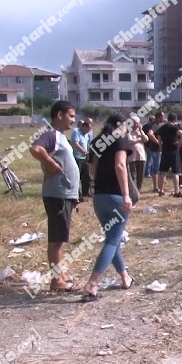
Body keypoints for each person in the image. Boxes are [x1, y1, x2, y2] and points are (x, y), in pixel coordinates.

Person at [81, 114, 135, 301]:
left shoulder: (96, 141)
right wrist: (126, 195)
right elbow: (120, 165)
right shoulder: (120, 139)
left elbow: (91, 171)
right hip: (116, 196)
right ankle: (92, 284)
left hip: (100, 198)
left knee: (112, 240)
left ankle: (125, 277)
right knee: (112, 241)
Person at [30, 101, 80, 292]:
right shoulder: (50, 134)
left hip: (64, 194)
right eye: (71, 116)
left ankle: (61, 275)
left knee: (61, 238)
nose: (73, 120)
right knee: (57, 239)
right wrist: (50, 164)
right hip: (57, 194)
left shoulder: (60, 136)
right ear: (59, 115)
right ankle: (56, 281)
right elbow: (35, 149)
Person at [156, 113, 182, 197]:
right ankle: (177, 191)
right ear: (175, 119)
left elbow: (159, 138)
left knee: (163, 171)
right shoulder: (174, 127)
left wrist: (160, 146)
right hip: (173, 150)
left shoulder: (162, 127)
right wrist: (179, 144)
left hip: (165, 149)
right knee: (175, 172)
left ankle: (161, 190)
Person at [71, 120, 93, 202]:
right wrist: (83, 151)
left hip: (85, 158)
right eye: (88, 129)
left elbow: (88, 144)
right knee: (77, 177)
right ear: (83, 126)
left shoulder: (87, 134)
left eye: (90, 129)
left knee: (86, 177)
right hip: (77, 157)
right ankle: (77, 195)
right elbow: (75, 143)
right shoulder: (76, 132)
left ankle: (85, 194)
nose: (88, 131)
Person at [127, 116, 149, 191]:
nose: (135, 125)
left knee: (140, 175)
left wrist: (141, 131)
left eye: (137, 123)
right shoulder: (128, 132)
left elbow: (146, 139)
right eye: (134, 123)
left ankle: (138, 189)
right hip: (132, 157)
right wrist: (139, 139)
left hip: (141, 157)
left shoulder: (140, 132)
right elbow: (130, 141)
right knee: (133, 175)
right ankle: (133, 190)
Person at [144, 112, 164, 192]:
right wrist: (158, 143)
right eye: (162, 117)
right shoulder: (154, 125)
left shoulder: (157, 124)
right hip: (155, 149)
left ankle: (159, 185)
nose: (164, 118)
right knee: (156, 168)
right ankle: (155, 187)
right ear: (158, 117)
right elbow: (150, 134)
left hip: (156, 149)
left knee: (158, 167)